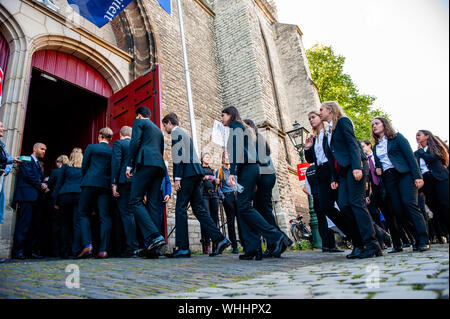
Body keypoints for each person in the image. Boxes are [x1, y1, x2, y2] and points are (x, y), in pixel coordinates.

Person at [221, 106, 292, 260]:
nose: (221, 118)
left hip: (249, 170)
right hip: (249, 170)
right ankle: (253, 248)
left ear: (230, 115)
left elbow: (237, 151)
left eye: (223, 115)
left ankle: (276, 237)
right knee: (244, 208)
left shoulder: (237, 127)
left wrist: (232, 172)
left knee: (246, 207)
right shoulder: (240, 129)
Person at [162, 112, 231, 258]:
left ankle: (183, 247)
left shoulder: (176, 133)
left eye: (164, 126)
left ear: (169, 122)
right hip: (196, 173)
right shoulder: (185, 133)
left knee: (180, 208)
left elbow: (178, 157)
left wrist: (177, 178)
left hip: (187, 174)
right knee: (199, 209)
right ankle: (220, 239)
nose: (164, 129)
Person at [319, 101, 382, 259]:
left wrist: (357, 166)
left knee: (356, 204)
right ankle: (358, 244)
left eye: (322, 110)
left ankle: (372, 244)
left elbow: (352, 144)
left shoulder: (343, 122)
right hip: (342, 173)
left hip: (355, 166)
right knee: (345, 206)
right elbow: (331, 155)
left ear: (330, 110)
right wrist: (334, 177)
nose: (320, 112)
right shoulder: (329, 131)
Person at [371, 117, 430, 252]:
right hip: (389, 178)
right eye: (373, 124)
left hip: (404, 175)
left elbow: (410, 156)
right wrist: (378, 169)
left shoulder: (397, 138)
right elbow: (379, 164)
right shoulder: (376, 147)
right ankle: (415, 237)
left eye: (377, 123)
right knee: (398, 210)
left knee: (410, 204)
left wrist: (417, 176)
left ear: (385, 125)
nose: (374, 126)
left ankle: (423, 239)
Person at [304, 111, 358, 254]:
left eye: (313, 117)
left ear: (320, 118)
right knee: (325, 207)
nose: (311, 120)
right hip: (321, 174)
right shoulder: (313, 138)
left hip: (333, 171)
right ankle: (351, 233)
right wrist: (307, 148)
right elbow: (310, 160)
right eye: (309, 119)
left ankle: (362, 236)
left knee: (344, 205)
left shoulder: (329, 133)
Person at [126, 107, 166, 259]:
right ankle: (154, 248)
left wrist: (130, 165)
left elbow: (134, 142)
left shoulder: (139, 122)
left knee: (134, 200)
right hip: (159, 166)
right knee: (153, 205)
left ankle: (154, 236)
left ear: (139, 115)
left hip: (145, 163)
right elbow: (161, 149)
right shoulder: (157, 129)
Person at [77, 128, 114, 259]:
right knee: (105, 216)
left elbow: (84, 166)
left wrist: (86, 178)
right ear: (110, 138)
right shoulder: (112, 151)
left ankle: (87, 244)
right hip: (105, 185)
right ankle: (103, 249)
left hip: (90, 182)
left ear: (99, 136)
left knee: (82, 213)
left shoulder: (91, 148)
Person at [12, 143, 48, 259]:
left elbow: (41, 178)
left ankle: (29, 250)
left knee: (34, 226)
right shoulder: (26, 159)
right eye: (42, 149)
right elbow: (28, 175)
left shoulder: (38, 164)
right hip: (26, 197)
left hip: (37, 199)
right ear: (34, 148)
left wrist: (45, 183)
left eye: (45, 150)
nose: (44, 151)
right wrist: (41, 184)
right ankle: (18, 251)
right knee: (24, 224)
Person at [414, 130, 449, 241]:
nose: (417, 137)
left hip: (440, 178)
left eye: (419, 135)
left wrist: (421, 152)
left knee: (445, 204)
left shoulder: (435, 148)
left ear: (427, 136)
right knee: (435, 208)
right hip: (427, 181)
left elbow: (431, 158)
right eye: (416, 136)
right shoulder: (416, 153)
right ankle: (442, 233)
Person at [111, 126, 139, 258]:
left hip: (123, 181)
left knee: (126, 214)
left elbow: (116, 163)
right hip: (136, 182)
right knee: (132, 213)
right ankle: (134, 245)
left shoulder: (119, 143)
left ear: (121, 134)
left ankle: (131, 247)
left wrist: (114, 183)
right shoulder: (136, 145)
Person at [53, 148, 83, 258]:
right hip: (79, 195)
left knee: (65, 224)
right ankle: (75, 250)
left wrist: (54, 200)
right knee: (77, 224)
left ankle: (65, 251)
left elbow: (58, 184)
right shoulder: (83, 168)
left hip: (65, 195)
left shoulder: (65, 167)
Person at [0, 120, 18, 263]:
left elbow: (5, 160)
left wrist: (12, 161)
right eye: (0, 127)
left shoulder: (2, 147)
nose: (3, 129)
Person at [216, 151, 240, 254]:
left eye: (228, 156)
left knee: (241, 221)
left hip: (237, 196)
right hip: (228, 197)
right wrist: (223, 197)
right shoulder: (220, 171)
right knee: (230, 223)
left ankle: (245, 243)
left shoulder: (234, 169)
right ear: (222, 159)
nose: (227, 158)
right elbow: (217, 186)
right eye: (225, 157)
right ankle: (234, 246)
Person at [47, 155, 69, 257]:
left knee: (55, 227)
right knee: (65, 226)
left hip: (56, 201)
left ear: (57, 162)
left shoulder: (55, 172)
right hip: (65, 202)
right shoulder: (69, 172)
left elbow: (50, 187)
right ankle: (65, 250)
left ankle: (55, 251)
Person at [199, 152, 220, 254]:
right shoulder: (200, 169)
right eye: (206, 157)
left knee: (215, 218)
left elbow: (216, 183)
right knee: (207, 218)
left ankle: (216, 242)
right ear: (202, 159)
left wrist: (217, 181)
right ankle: (206, 243)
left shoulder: (212, 170)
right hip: (204, 195)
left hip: (214, 195)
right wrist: (202, 178)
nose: (208, 158)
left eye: (209, 157)